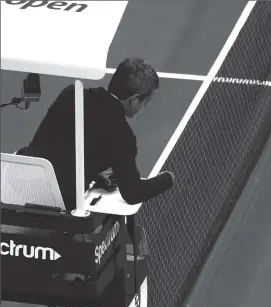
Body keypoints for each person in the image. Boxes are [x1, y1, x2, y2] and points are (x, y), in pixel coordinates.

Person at [17, 57, 175, 210]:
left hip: (20, 180)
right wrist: (167, 179)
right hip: (56, 201)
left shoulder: (70, 94)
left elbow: (61, 147)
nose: (144, 107)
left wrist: (95, 172)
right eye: (146, 102)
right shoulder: (122, 135)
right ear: (134, 99)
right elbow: (133, 193)